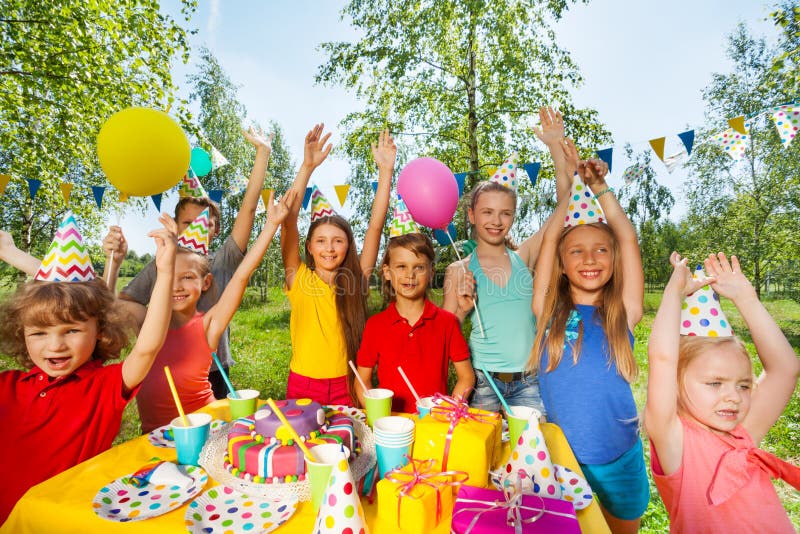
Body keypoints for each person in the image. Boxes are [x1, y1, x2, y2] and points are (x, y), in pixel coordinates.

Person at [0, 215, 175, 523]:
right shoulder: (8, 385)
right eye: (39, 333)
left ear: (101, 331)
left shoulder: (104, 386)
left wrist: (165, 271)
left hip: (64, 524)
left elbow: (147, 347)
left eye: (71, 331)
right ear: (21, 334)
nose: (55, 346)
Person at [530, 138, 649, 533]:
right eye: (576, 252)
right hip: (562, 459)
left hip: (620, 457)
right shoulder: (547, 313)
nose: (590, 259)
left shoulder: (624, 313)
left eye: (601, 250)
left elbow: (627, 239)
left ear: (613, 260)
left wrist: (601, 191)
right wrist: (566, 194)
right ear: (561, 265)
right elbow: (549, 239)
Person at [112, 190, 295, 433]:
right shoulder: (145, 323)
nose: (177, 286)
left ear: (205, 283)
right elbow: (106, 308)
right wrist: (113, 263)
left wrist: (271, 225)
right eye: (170, 277)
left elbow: (241, 276)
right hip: (154, 438)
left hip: (207, 427)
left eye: (188, 277)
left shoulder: (209, 324)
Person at [645, 251, 800, 533]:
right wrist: (674, 293)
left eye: (743, 385)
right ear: (675, 383)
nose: (734, 396)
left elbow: (785, 369)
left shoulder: (742, 433)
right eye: (715, 383)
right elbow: (663, 357)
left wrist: (746, 299)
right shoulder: (674, 440)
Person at [116, 128, 275, 399]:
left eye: (206, 223)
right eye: (187, 223)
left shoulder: (222, 261)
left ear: (215, 230)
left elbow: (248, 209)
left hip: (214, 369)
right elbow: (125, 301)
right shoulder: (160, 265)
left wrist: (262, 153)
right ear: (175, 227)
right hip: (165, 367)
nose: (195, 228)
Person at [442, 106, 571, 414]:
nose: (496, 221)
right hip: (484, 383)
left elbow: (564, 208)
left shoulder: (524, 257)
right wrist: (459, 310)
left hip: (529, 382)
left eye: (505, 213)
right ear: (472, 215)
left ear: (513, 216)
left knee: (531, 456)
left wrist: (555, 147)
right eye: (487, 212)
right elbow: (445, 336)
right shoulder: (458, 269)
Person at [281, 125, 395, 405]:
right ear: (309, 246)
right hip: (303, 385)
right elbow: (288, 221)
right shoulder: (299, 279)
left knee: (348, 448)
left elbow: (375, 227)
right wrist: (307, 167)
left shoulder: (356, 280)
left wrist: (386, 173)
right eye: (320, 241)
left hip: (348, 382)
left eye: (337, 241)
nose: (329, 248)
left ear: (348, 246)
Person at [355, 231, 475, 412]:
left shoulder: (447, 323)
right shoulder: (375, 325)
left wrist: (449, 411)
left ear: (431, 272)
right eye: (401, 266)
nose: (410, 274)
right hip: (392, 426)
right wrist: (378, 415)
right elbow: (362, 380)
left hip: (432, 424)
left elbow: (466, 377)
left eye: (419, 267)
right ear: (387, 272)